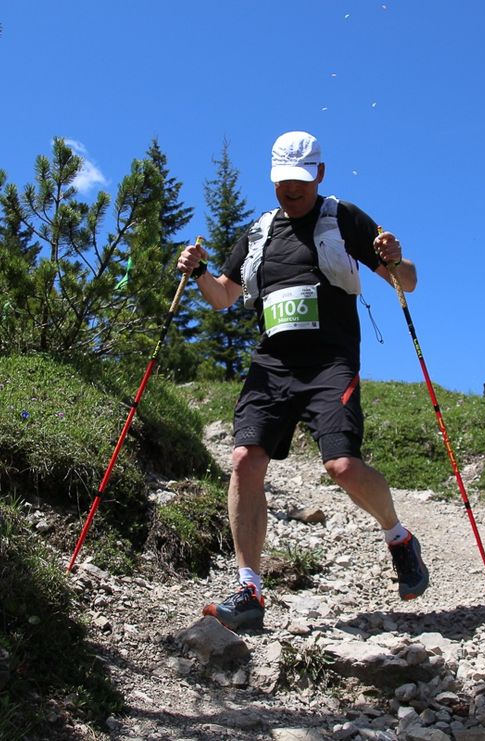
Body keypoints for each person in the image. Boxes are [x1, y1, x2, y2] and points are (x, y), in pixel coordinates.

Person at [177, 130, 429, 631]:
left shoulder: (344, 219)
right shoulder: (257, 232)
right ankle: (249, 588)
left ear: (318, 173)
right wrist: (199, 272)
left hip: (330, 362)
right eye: (281, 181)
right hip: (272, 363)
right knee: (245, 459)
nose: (290, 190)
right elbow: (224, 296)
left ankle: (399, 537)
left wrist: (397, 259)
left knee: (341, 466)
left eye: (299, 179)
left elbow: (408, 282)